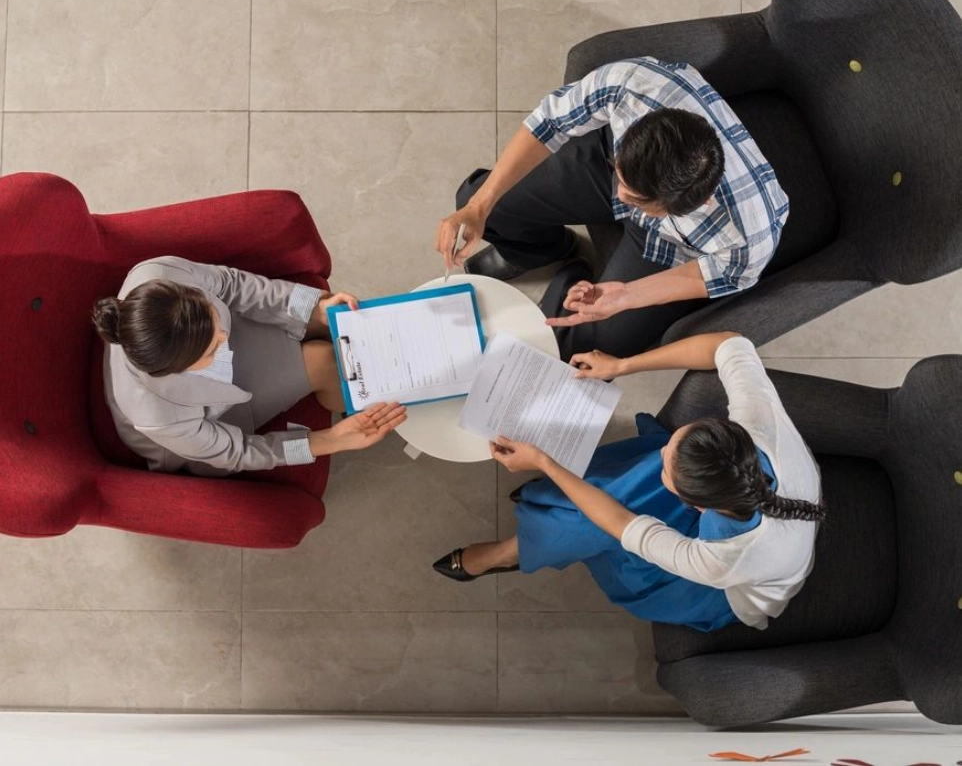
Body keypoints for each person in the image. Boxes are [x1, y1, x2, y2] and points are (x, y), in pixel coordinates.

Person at [432, 333, 823, 633]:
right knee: (627, 487)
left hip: (718, 592)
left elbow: (619, 522)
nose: (663, 454)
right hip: (742, 516)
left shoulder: (721, 559)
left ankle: (512, 550)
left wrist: (544, 462)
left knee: (594, 520)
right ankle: (543, 517)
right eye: (674, 443)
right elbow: (730, 342)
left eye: (669, 467)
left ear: (696, 505)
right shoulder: (759, 423)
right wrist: (622, 366)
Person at [435, 59, 789, 361]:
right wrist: (479, 206)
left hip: (677, 249)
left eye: (633, 199)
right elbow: (549, 123)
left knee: (577, 353)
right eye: (623, 184)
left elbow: (718, 276)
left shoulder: (748, 238)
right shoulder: (633, 85)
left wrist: (627, 296)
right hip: (614, 162)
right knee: (482, 198)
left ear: (697, 204)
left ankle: (570, 274)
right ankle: (540, 250)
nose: (619, 195)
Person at [93, 256, 405, 476]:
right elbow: (238, 453)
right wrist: (332, 441)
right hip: (206, 421)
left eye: (216, 322)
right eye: (214, 347)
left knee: (334, 317)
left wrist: (315, 308)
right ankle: (370, 397)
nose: (224, 338)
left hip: (186, 341)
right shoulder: (162, 416)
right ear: (183, 369)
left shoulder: (158, 272)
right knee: (324, 360)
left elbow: (232, 285)